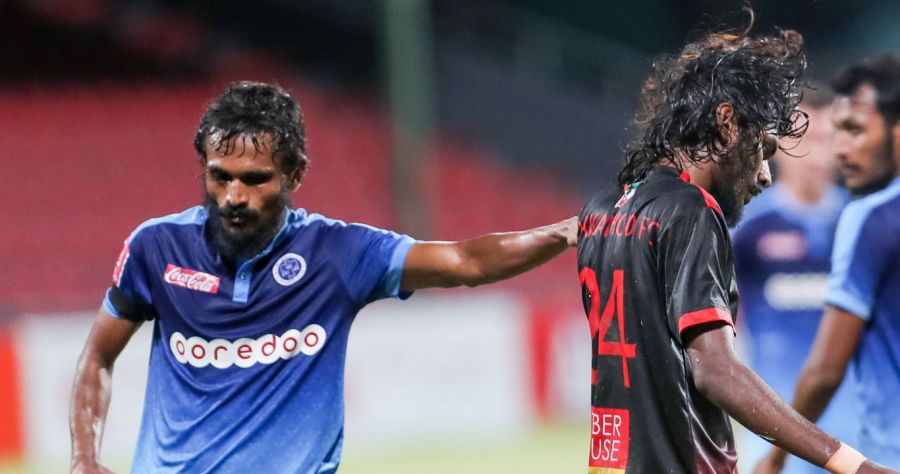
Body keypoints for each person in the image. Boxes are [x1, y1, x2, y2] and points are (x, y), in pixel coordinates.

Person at [69, 82, 577, 473]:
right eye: (220, 176)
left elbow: (467, 262)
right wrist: (84, 457)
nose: (234, 196)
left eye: (255, 180)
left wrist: (568, 232)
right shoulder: (156, 248)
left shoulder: (338, 254)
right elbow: (97, 357)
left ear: (294, 175)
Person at [576, 26, 896, 474]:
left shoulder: (606, 210)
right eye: (761, 148)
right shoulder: (694, 211)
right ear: (727, 124)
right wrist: (852, 464)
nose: (764, 174)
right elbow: (716, 371)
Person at [754, 55, 900, 473]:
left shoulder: (869, 218)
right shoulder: (751, 229)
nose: (838, 150)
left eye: (854, 130)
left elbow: (824, 373)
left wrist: (775, 455)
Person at [733, 90, 855, 474]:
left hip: (856, 426)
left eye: (827, 139)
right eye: (804, 140)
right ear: (778, 146)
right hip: (775, 425)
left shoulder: (862, 224)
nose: (817, 155)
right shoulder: (748, 228)